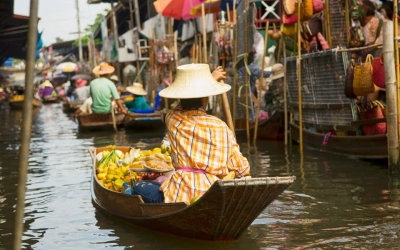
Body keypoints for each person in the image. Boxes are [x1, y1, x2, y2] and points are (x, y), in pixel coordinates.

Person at [132, 64, 250, 204]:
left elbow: (178, 109)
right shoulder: (221, 126)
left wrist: (210, 80)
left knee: (138, 187)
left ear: (180, 98)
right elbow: (241, 169)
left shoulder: (173, 119)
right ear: (205, 99)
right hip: (212, 195)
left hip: (178, 196)